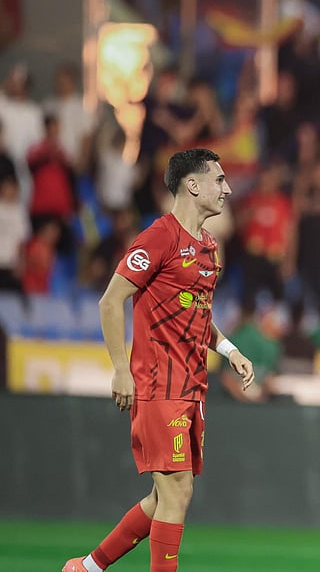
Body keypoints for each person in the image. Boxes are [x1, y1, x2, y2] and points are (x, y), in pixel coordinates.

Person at [63, 149, 254, 572]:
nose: (227, 188)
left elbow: (197, 314)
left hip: (192, 386)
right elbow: (111, 301)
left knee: (163, 497)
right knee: (176, 493)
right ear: (193, 185)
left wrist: (229, 350)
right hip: (157, 383)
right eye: (219, 180)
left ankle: (87, 568)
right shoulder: (158, 237)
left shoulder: (208, 247)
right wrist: (120, 368)